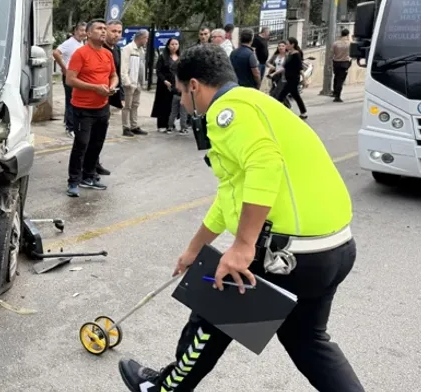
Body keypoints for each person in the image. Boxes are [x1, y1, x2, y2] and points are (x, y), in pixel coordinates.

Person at [118, 43, 364, 392]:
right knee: (308, 342)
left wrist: (244, 245)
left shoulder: (227, 111)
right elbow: (230, 195)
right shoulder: (257, 103)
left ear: (194, 86)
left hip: (289, 257)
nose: (184, 105)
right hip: (333, 250)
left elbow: (265, 165)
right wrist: (194, 248)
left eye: (181, 93)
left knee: (209, 312)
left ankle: (162, 390)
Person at [65, 19, 118, 197]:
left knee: (97, 144)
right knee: (81, 144)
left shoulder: (107, 54)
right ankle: (73, 181)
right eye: (99, 29)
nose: (104, 32)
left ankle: (88, 176)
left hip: (102, 107)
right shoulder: (80, 54)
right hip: (82, 108)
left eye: (105, 29)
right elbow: (70, 80)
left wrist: (112, 86)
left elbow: (114, 75)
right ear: (88, 33)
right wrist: (95, 88)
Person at [53, 22, 87, 136]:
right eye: (81, 30)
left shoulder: (82, 43)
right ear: (76, 31)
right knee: (71, 101)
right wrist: (64, 68)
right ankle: (70, 127)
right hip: (70, 76)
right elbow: (56, 53)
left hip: (79, 76)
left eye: (85, 31)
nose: (83, 33)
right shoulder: (69, 43)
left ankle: (70, 122)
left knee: (77, 100)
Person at [120, 29, 149, 136]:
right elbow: (124, 67)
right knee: (127, 106)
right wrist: (127, 82)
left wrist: (142, 82)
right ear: (141, 37)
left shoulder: (141, 50)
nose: (147, 40)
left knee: (135, 105)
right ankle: (126, 127)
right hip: (130, 83)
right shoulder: (128, 48)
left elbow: (142, 67)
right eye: (146, 38)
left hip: (138, 82)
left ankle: (134, 125)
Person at [276, 37, 308, 120]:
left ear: (292, 44)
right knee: (296, 95)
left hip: (293, 79)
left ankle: (279, 112)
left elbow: (300, 68)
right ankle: (303, 112)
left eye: (287, 44)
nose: (286, 46)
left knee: (281, 96)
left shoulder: (296, 55)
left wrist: (305, 80)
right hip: (289, 78)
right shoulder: (290, 54)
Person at [165, 38, 189, 134]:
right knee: (183, 112)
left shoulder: (175, 75)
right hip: (183, 94)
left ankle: (170, 127)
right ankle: (183, 128)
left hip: (175, 93)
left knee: (173, 111)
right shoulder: (185, 75)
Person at [331, 28, 352, 102]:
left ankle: (334, 92)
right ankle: (337, 96)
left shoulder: (335, 43)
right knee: (340, 80)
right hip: (345, 63)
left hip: (336, 62)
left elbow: (331, 54)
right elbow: (352, 54)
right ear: (347, 35)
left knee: (336, 77)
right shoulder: (349, 43)